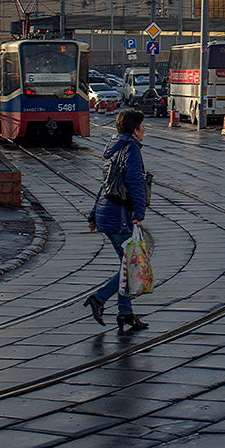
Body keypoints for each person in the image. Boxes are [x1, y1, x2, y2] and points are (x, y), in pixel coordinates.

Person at [84, 109, 151, 335]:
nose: (144, 130)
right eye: (142, 126)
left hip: (107, 213)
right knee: (131, 266)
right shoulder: (131, 149)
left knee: (127, 264)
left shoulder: (116, 148)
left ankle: (125, 313)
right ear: (134, 130)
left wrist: (94, 214)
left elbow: (106, 185)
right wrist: (139, 213)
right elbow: (135, 183)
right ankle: (99, 298)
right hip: (120, 216)